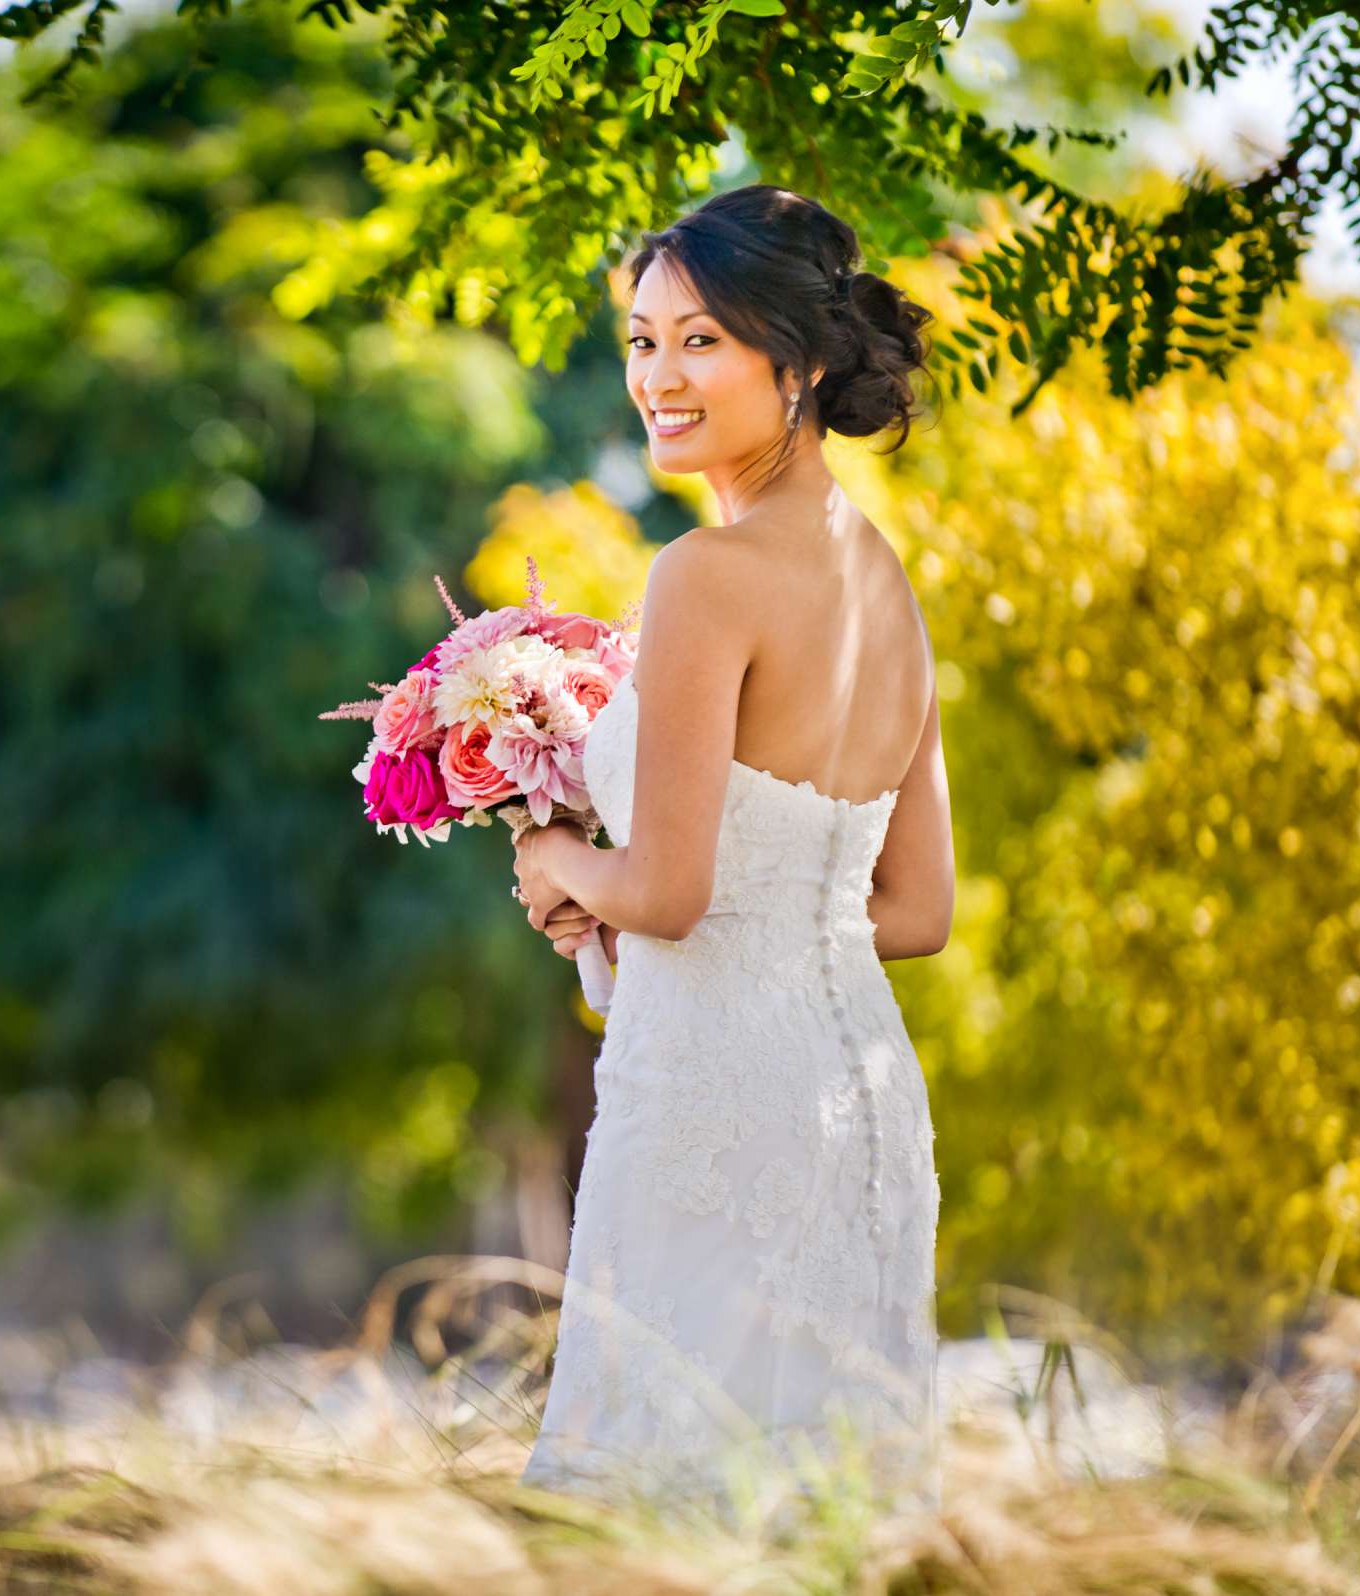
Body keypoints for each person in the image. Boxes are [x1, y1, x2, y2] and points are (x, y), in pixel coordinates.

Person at [507, 183, 954, 1521]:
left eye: (699, 340)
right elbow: (918, 909)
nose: (658, 376)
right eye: (642, 341)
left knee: (663, 1508)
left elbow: (673, 890)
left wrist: (556, 860)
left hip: (714, 1103)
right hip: (859, 1095)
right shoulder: (888, 584)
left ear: (798, 359)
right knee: (819, 1519)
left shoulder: (702, 579)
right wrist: (729, 922)